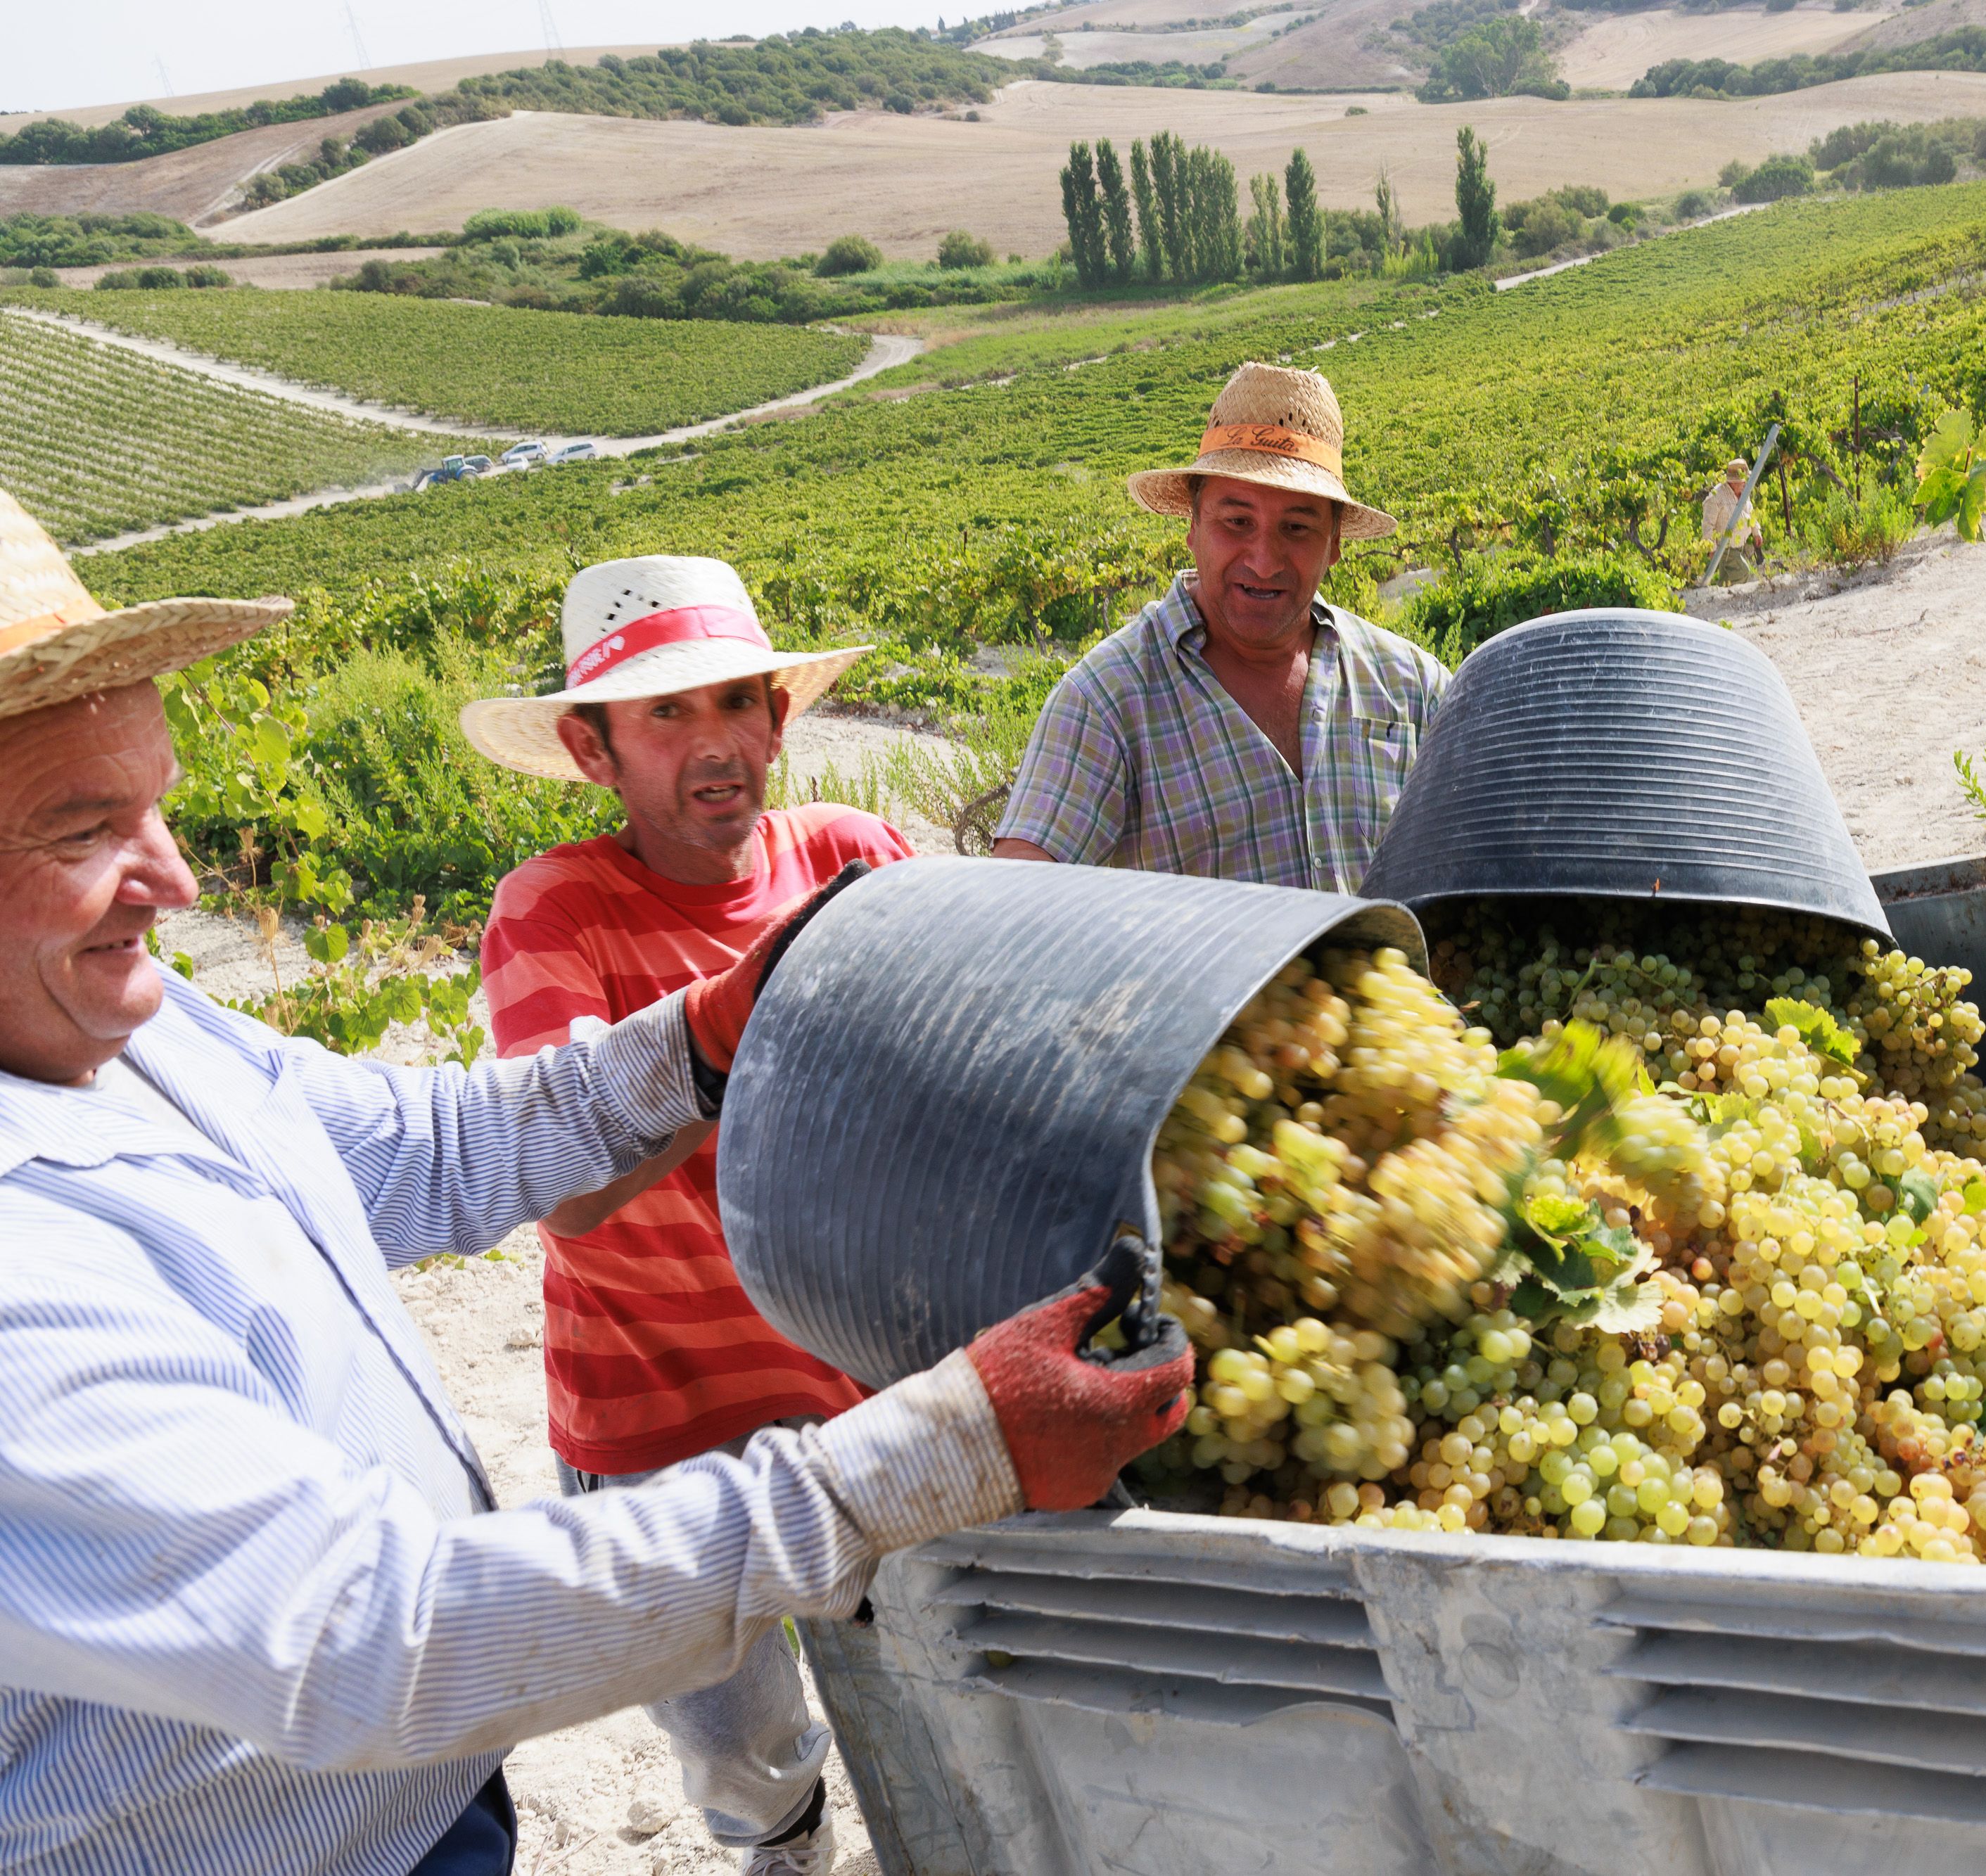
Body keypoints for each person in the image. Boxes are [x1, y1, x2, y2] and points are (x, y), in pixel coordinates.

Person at [0, 491, 1193, 1875]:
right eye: (82, 830)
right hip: (275, 1838)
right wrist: (929, 1454)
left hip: (422, 1808)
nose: (177, 878)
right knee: (750, 1746)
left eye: (156, 807)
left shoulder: (137, 1029)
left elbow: (434, 1146)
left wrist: (706, 1033)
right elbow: (377, 1638)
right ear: (591, 748)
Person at [458, 556, 912, 1872]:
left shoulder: (850, 854)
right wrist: (743, 1040)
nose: (714, 746)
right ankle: (789, 1843)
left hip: (864, 1400)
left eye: (734, 704)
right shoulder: (556, 909)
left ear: (779, 717)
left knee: (916, 1694)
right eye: (664, 715)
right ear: (591, 750)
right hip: (660, 1429)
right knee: (743, 1751)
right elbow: (572, 1188)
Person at [991, 360, 1449, 893]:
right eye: (1237, 522)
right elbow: (1016, 890)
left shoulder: (1411, 684)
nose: (1263, 559)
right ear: (1193, 526)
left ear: (1335, 544)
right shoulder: (1108, 700)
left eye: (1297, 528)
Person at [1700, 456, 1765, 583]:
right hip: (1724, 548)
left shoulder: (1744, 492)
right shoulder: (1716, 496)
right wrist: (1711, 549)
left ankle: (1722, 602)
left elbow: (1750, 512)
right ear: (1733, 481)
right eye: (1743, 480)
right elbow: (1708, 525)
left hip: (1738, 547)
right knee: (1743, 573)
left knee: (1726, 582)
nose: (1746, 483)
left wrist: (1756, 532)